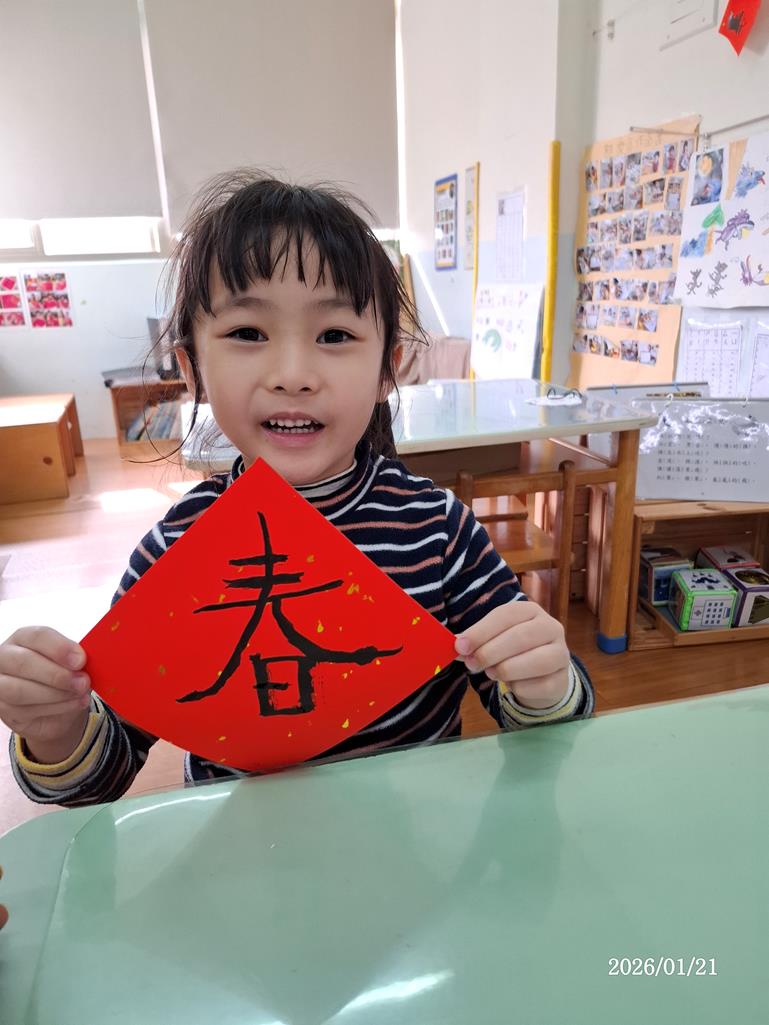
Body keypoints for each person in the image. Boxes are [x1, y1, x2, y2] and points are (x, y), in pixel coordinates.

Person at [1, 172, 594, 807]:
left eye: (335, 335)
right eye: (247, 333)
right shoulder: (177, 549)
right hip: (243, 854)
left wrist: (545, 685)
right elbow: (107, 771)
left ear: (388, 370)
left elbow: (539, 728)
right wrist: (58, 732)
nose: (292, 375)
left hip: (416, 846)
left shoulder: (438, 531)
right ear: (192, 368)